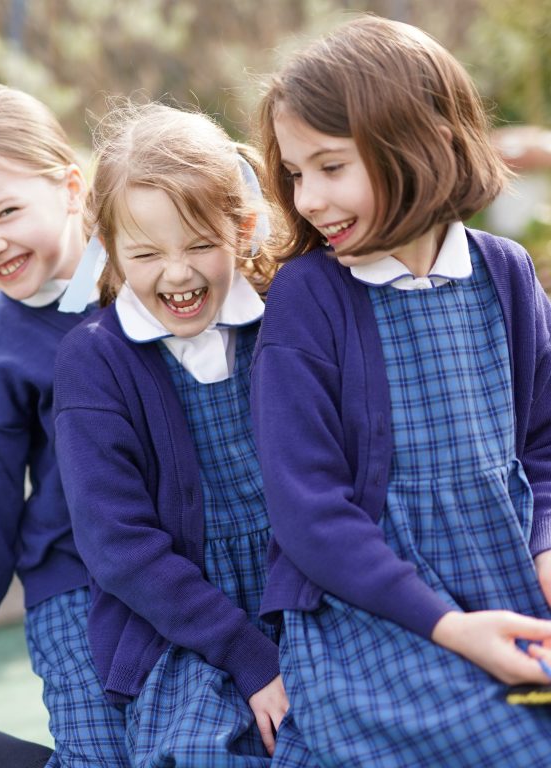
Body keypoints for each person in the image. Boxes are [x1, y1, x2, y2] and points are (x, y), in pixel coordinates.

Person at [251, 14, 551, 766]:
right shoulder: (309, 297)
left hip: (508, 581)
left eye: (331, 166)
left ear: (424, 143)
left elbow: (543, 441)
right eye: (295, 173)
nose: (311, 198)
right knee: (513, 748)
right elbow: (309, 513)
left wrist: (545, 551)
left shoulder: (506, 273)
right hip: (372, 612)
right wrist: (450, 627)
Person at [52, 102, 290, 767]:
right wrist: (248, 656)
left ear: (242, 230)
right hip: (178, 624)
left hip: (298, 592)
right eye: (147, 253)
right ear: (109, 246)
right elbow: (119, 548)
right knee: (202, 754)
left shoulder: (283, 323)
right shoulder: (96, 360)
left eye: (199, 245)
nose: (177, 274)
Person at [0, 84, 128, 768]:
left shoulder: (153, 270)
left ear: (70, 187)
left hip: (186, 567)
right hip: (76, 585)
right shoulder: (0, 352)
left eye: (7, 211)